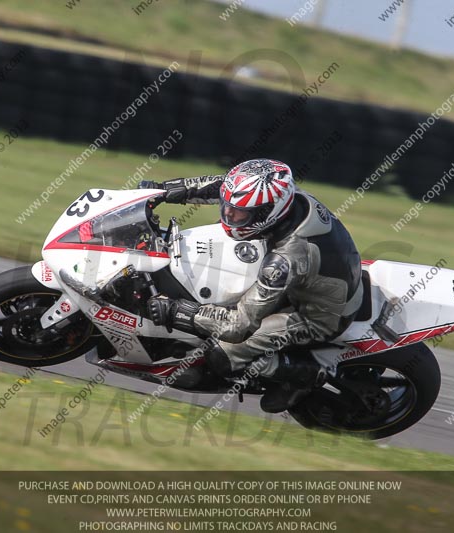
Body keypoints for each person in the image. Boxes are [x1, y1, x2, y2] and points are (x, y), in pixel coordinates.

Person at [141, 159, 363, 413]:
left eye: (239, 213)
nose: (229, 215)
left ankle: (307, 375)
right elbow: (221, 185)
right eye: (228, 208)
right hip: (313, 279)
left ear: (267, 213)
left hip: (316, 316)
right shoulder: (283, 197)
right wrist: (164, 191)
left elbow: (238, 326)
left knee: (224, 355)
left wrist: (179, 312)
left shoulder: (284, 260)